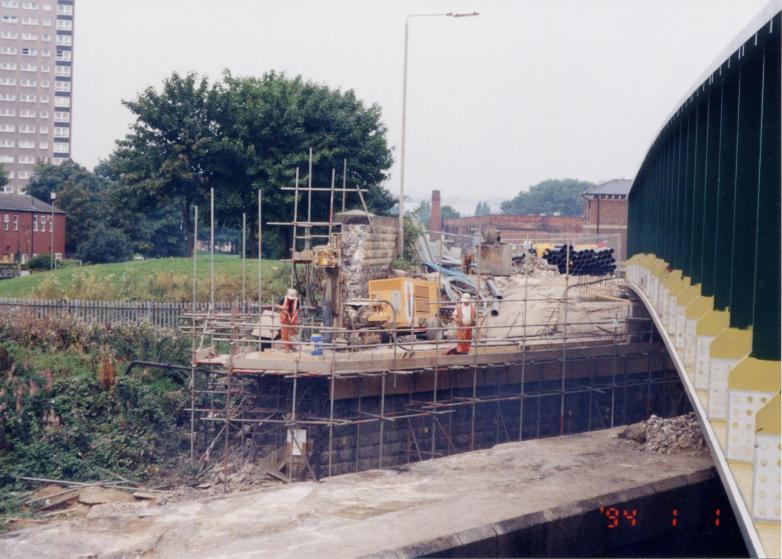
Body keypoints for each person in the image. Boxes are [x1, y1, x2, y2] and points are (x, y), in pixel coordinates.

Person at [279, 288, 299, 352]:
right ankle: (286, 347)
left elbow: (297, 310)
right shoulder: (283, 299)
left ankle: (293, 346)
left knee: (293, 331)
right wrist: (283, 307)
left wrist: (293, 318)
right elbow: (277, 305)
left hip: (293, 315)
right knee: (285, 332)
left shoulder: (297, 301)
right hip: (284, 316)